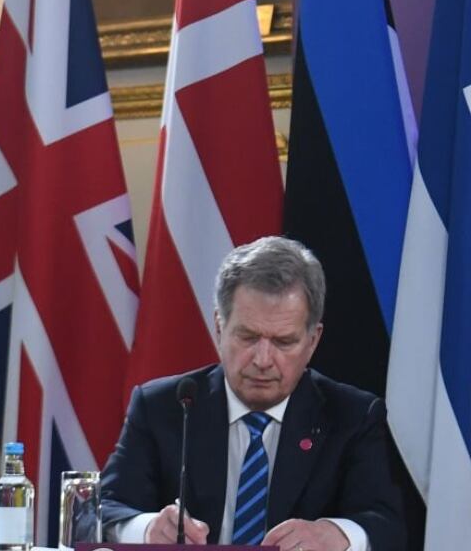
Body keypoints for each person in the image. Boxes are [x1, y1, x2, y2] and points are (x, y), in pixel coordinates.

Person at [100, 236, 404, 551]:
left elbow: (387, 525)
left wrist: (335, 534)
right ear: (220, 327)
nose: (262, 360)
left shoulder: (352, 416)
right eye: (247, 337)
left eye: (283, 342)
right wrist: (147, 528)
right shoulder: (165, 406)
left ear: (312, 341)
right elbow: (103, 508)